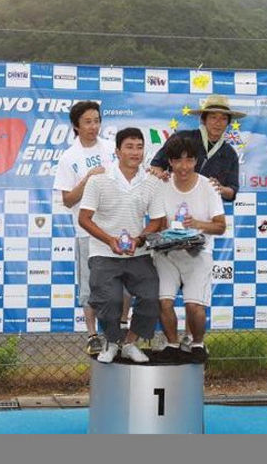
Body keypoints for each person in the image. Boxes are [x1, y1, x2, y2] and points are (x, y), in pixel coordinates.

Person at [78, 127, 165, 363]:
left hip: (138, 253)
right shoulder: (98, 180)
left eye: (139, 147)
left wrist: (139, 239)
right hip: (103, 252)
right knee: (110, 300)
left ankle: (129, 343)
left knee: (152, 297)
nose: (135, 152)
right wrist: (110, 240)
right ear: (117, 151)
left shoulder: (152, 182)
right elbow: (84, 218)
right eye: (129, 147)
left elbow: (157, 220)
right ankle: (112, 341)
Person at [52, 100, 131, 356]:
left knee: (125, 282)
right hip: (87, 231)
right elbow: (67, 200)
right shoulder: (69, 157)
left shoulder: (112, 148)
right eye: (87, 122)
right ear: (76, 125)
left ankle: (121, 328)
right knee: (90, 287)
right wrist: (88, 179)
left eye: (97, 121)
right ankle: (92, 335)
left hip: (118, 228)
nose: (93, 126)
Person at [153, 135, 226, 363]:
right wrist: (165, 236)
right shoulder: (162, 186)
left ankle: (197, 343)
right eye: (178, 161)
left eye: (189, 160)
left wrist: (196, 225)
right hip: (167, 254)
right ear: (170, 162)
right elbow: (159, 224)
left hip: (198, 254)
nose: (183, 167)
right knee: (164, 301)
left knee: (194, 306)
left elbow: (220, 226)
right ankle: (172, 343)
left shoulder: (208, 187)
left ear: (196, 161)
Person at [149, 93, 245, 202]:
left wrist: (220, 189)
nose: (218, 123)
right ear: (203, 120)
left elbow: (232, 191)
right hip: (173, 200)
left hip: (206, 207)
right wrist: (162, 177)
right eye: (213, 117)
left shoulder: (230, 153)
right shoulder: (181, 138)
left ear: (228, 123)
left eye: (223, 118)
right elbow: (156, 165)